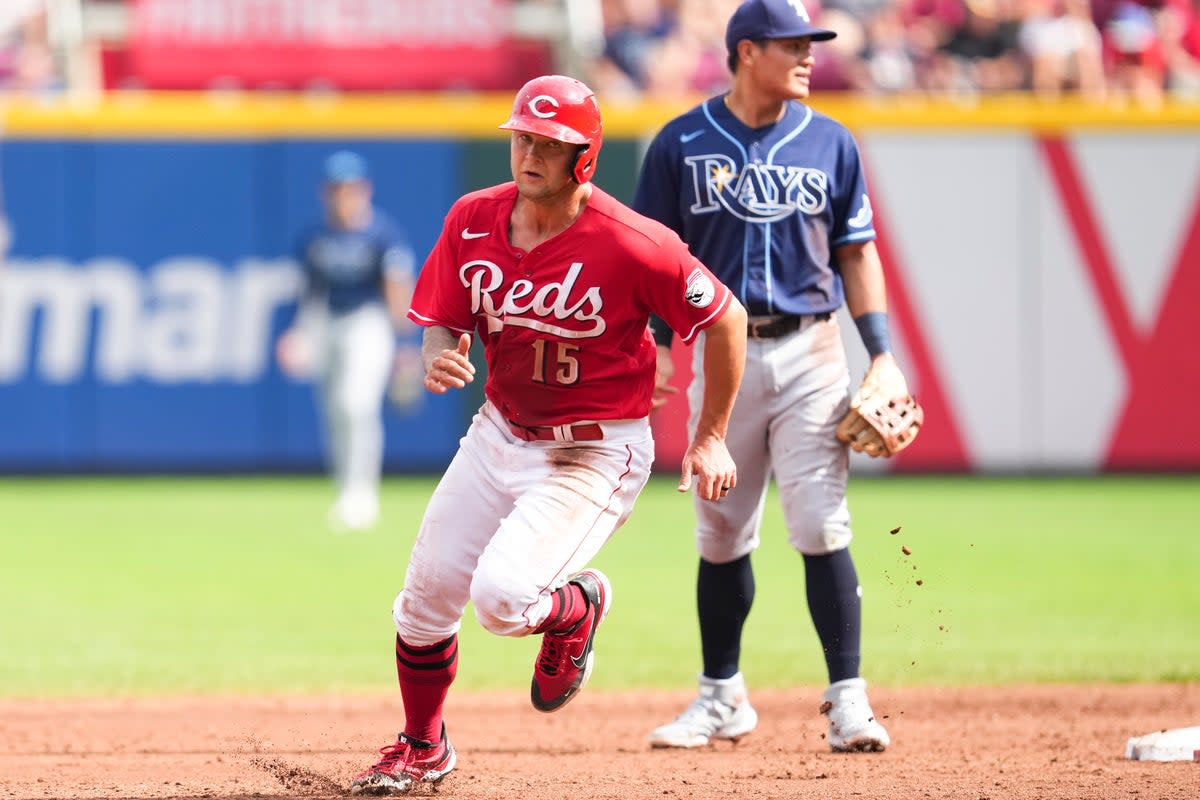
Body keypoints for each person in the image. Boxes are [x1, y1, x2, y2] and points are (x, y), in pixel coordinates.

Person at [347, 74, 747, 795]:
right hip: (500, 429)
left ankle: (579, 604)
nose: (529, 153)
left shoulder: (633, 243)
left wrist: (710, 433)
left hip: (593, 450)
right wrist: (441, 349)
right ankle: (422, 744)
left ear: (583, 157)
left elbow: (726, 318)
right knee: (425, 597)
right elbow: (444, 313)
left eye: (549, 143)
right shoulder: (474, 217)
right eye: (522, 137)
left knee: (501, 599)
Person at [634, 0, 913, 753]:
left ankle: (849, 701)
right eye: (794, 45)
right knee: (721, 533)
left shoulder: (830, 141)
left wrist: (880, 351)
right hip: (720, 360)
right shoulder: (681, 144)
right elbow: (653, 258)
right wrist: (658, 343)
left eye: (811, 44)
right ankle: (722, 696)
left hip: (812, 352)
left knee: (822, 524)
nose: (809, 57)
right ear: (747, 50)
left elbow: (856, 252)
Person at [275, 151, 416, 532]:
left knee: (357, 404)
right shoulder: (315, 237)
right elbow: (305, 291)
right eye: (336, 188)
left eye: (350, 188)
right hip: (326, 322)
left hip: (367, 323)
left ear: (364, 190)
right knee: (335, 410)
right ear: (326, 192)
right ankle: (345, 490)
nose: (343, 195)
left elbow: (396, 290)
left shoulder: (382, 234)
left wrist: (405, 343)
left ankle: (362, 494)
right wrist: (294, 332)